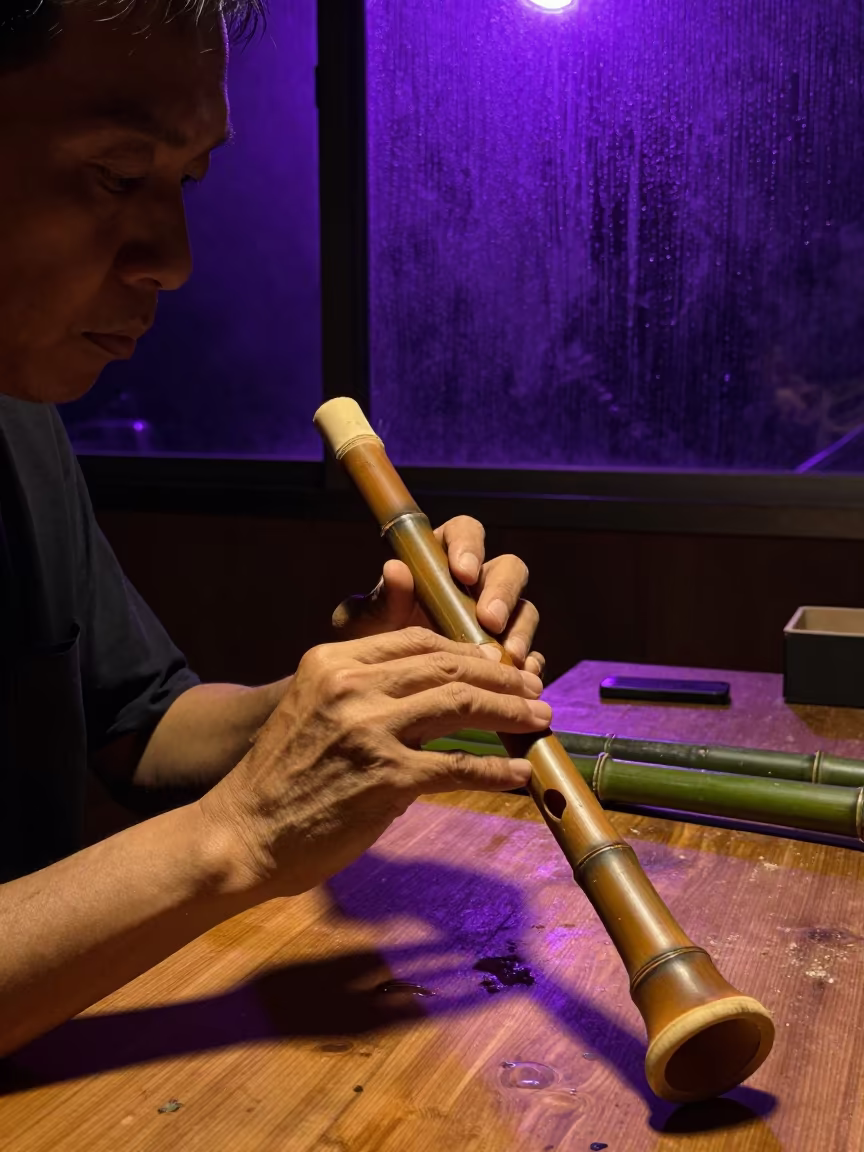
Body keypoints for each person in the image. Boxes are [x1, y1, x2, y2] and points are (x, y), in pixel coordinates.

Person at [0, 0, 548, 1057]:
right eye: (118, 174)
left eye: (186, 183)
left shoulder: (19, 417)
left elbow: (142, 727)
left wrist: (355, 685)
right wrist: (238, 834)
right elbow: (218, 820)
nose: (175, 258)